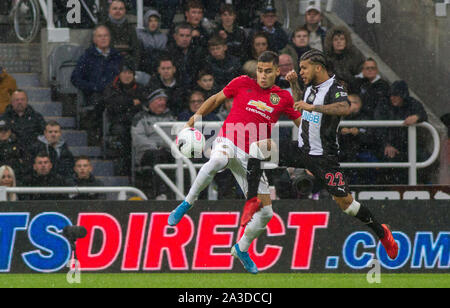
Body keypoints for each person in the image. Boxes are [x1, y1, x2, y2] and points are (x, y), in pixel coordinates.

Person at [241, 49, 399, 265]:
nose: (300, 71)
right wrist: (296, 85)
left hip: (324, 158)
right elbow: (300, 105)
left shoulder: (335, 88)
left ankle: (382, 233)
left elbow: (345, 108)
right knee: (257, 149)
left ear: (318, 67)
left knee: (347, 205)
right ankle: (252, 200)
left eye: (304, 68)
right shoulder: (311, 88)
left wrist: (313, 107)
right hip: (302, 149)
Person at [167, 51, 302, 274]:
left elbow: (302, 124)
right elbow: (215, 99)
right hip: (228, 141)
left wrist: (296, 87)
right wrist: (193, 120)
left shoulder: (283, 98)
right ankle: (187, 203)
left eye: (268, 71)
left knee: (267, 213)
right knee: (217, 158)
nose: (263, 75)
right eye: (260, 70)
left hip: (252, 159)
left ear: (278, 72)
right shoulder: (242, 83)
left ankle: (241, 248)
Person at [71, 25, 123, 144]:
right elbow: (75, 78)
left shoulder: (117, 57)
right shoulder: (87, 57)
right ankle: (100, 134)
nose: (103, 38)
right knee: (101, 104)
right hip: (95, 94)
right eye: (100, 36)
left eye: (105, 36)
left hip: (115, 93)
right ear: (94, 39)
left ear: (110, 38)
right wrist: (93, 87)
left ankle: (116, 135)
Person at [376, 80, 428, 184]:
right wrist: (386, 144)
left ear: (403, 95)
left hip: (410, 145)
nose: (392, 98)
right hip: (389, 145)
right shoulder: (383, 105)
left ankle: (418, 186)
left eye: (396, 95)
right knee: (389, 163)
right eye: (391, 95)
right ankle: (392, 189)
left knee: (424, 158)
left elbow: (423, 114)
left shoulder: (412, 103)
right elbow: (378, 127)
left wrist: (417, 117)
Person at [131, 89, 176, 199]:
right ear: (151, 102)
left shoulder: (171, 117)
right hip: (147, 153)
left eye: (164, 100)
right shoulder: (140, 118)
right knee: (158, 156)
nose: (162, 102)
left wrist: (167, 146)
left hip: (169, 150)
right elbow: (138, 138)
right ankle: (160, 193)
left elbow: (177, 136)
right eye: (159, 100)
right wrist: (156, 146)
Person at [103, 63, 144, 175]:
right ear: (119, 74)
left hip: (137, 122)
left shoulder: (140, 88)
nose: (127, 76)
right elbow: (111, 105)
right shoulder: (111, 87)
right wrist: (131, 102)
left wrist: (123, 103)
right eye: (124, 73)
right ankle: (124, 167)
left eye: (130, 73)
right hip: (118, 122)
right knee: (123, 133)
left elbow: (142, 104)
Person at [338, 94, 379, 185]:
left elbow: (372, 138)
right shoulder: (341, 117)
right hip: (345, 153)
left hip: (362, 153)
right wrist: (340, 132)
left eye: (348, 103)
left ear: (357, 104)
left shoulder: (366, 118)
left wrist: (358, 133)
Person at [104, 0, 142, 68]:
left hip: (127, 67)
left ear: (125, 11)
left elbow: (136, 51)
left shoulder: (131, 29)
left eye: (121, 9)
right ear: (109, 10)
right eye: (115, 8)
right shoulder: (102, 28)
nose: (118, 11)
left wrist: (133, 68)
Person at [324, 26, 365, 90]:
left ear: (346, 41)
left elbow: (361, 75)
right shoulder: (326, 58)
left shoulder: (355, 56)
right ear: (331, 42)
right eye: (335, 39)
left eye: (342, 39)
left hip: (354, 89)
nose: (339, 42)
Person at [167, 22, 206, 87]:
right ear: (175, 36)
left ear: (191, 37)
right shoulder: (169, 52)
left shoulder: (198, 52)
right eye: (181, 35)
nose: (184, 39)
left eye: (187, 36)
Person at [136, 9, 168, 75]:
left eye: (156, 20)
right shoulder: (140, 35)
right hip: (143, 68)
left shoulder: (163, 37)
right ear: (146, 21)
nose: (153, 23)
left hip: (159, 68)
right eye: (150, 20)